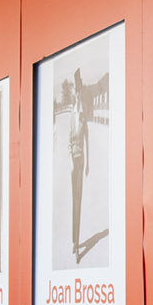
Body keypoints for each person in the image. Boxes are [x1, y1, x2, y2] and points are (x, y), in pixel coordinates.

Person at [68, 69, 89, 258]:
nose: (78, 97)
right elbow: (69, 141)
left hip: (80, 160)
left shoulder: (83, 118)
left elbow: (87, 140)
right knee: (73, 200)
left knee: (78, 200)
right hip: (72, 163)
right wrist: (70, 161)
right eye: (76, 94)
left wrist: (87, 163)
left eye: (79, 94)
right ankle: (74, 241)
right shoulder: (71, 117)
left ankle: (77, 245)